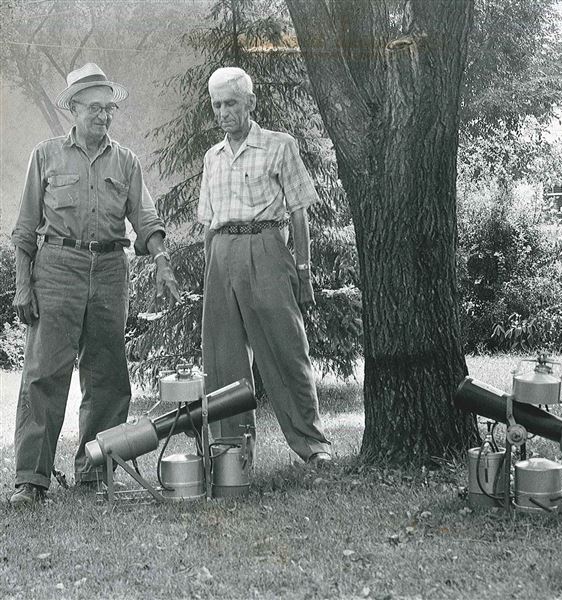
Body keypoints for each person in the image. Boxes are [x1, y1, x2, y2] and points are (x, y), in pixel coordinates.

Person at [9, 63, 180, 506]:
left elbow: (145, 218)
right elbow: (25, 229)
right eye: (95, 108)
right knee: (44, 375)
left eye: (109, 109)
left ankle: (95, 472)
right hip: (57, 268)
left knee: (107, 375)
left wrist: (162, 259)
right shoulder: (45, 156)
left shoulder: (126, 161)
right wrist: (23, 285)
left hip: (109, 270)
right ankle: (31, 480)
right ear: (74, 109)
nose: (104, 116)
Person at [197, 67, 331, 466]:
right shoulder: (212, 157)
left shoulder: (279, 145)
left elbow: (299, 212)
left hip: (267, 247)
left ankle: (313, 445)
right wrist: (211, 274)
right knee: (223, 359)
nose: (223, 113)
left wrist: (304, 271)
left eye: (231, 103)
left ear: (250, 103)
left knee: (287, 350)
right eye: (216, 105)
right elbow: (209, 224)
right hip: (221, 253)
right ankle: (232, 455)